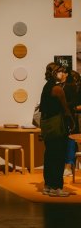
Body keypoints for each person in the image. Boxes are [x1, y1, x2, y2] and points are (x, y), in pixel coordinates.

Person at [40, 62, 74, 197]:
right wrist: (72, 122)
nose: (63, 73)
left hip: (47, 126)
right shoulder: (57, 89)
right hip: (57, 127)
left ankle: (48, 186)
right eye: (60, 71)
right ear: (55, 73)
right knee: (59, 156)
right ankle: (56, 187)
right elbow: (66, 110)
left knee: (49, 155)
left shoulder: (46, 87)